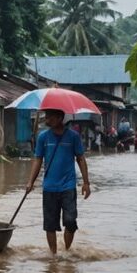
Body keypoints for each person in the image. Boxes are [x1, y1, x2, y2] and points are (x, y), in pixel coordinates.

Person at [26, 109, 92, 254]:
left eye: (49, 117)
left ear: (59, 118)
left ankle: (66, 252)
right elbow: (38, 160)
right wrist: (30, 182)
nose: (47, 119)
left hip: (68, 186)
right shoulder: (43, 137)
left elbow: (80, 159)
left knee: (70, 221)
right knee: (50, 225)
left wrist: (86, 183)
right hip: (49, 187)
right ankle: (54, 257)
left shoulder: (73, 137)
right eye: (46, 117)